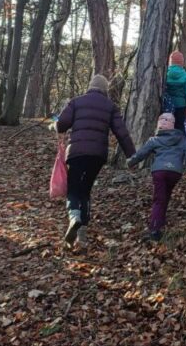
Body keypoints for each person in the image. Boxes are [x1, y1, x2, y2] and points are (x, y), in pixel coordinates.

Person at [55, 74, 136, 247]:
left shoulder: (76, 102)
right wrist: (132, 155)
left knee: (73, 187)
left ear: (90, 86)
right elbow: (121, 132)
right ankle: (82, 234)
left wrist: (56, 125)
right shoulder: (110, 106)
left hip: (76, 152)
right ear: (105, 89)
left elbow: (62, 124)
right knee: (85, 190)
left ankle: (74, 217)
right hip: (98, 155)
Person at [127, 113, 186, 242]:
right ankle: (160, 221)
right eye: (162, 119)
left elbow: (141, 153)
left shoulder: (154, 140)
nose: (162, 122)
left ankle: (154, 229)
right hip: (175, 172)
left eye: (164, 120)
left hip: (159, 171)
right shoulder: (181, 138)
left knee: (159, 199)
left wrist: (130, 162)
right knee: (165, 195)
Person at [163, 51, 186, 131]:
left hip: (166, 106)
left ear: (170, 62)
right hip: (180, 106)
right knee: (179, 127)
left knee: (166, 127)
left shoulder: (164, 74)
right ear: (182, 63)